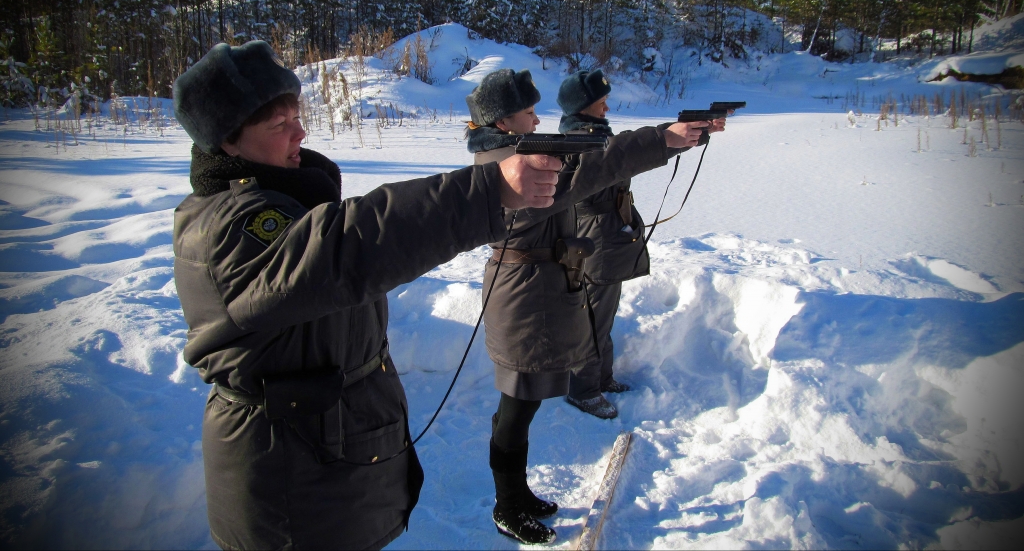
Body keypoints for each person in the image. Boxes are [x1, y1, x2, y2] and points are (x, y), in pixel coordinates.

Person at [171, 40, 562, 551]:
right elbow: (348, 245)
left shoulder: (281, 200)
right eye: (277, 125)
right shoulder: (231, 226)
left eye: (297, 115)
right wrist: (484, 194)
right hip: (290, 482)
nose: (301, 132)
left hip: (323, 462)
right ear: (226, 142)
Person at [464, 68, 707, 545]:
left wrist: (667, 140)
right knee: (516, 408)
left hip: (531, 288)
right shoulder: (514, 163)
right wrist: (664, 139)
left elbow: (598, 159)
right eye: (529, 114)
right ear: (504, 122)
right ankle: (508, 505)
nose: (538, 121)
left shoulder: (509, 153)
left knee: (522, 405)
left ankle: (517, 493)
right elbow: (599, 165)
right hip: (523, 296)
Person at [559, 70, 729, 419]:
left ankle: (601, 379)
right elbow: (624, 153)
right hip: (595, 242)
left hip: (605, 238)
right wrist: (667, 138)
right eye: (600, 103)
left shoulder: (594, 139)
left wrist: (689, 132)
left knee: (601, 317)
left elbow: (626, 151)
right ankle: (583, 390)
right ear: (583, 108)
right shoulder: (580, 142)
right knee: (592, 320)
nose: (606, 109)